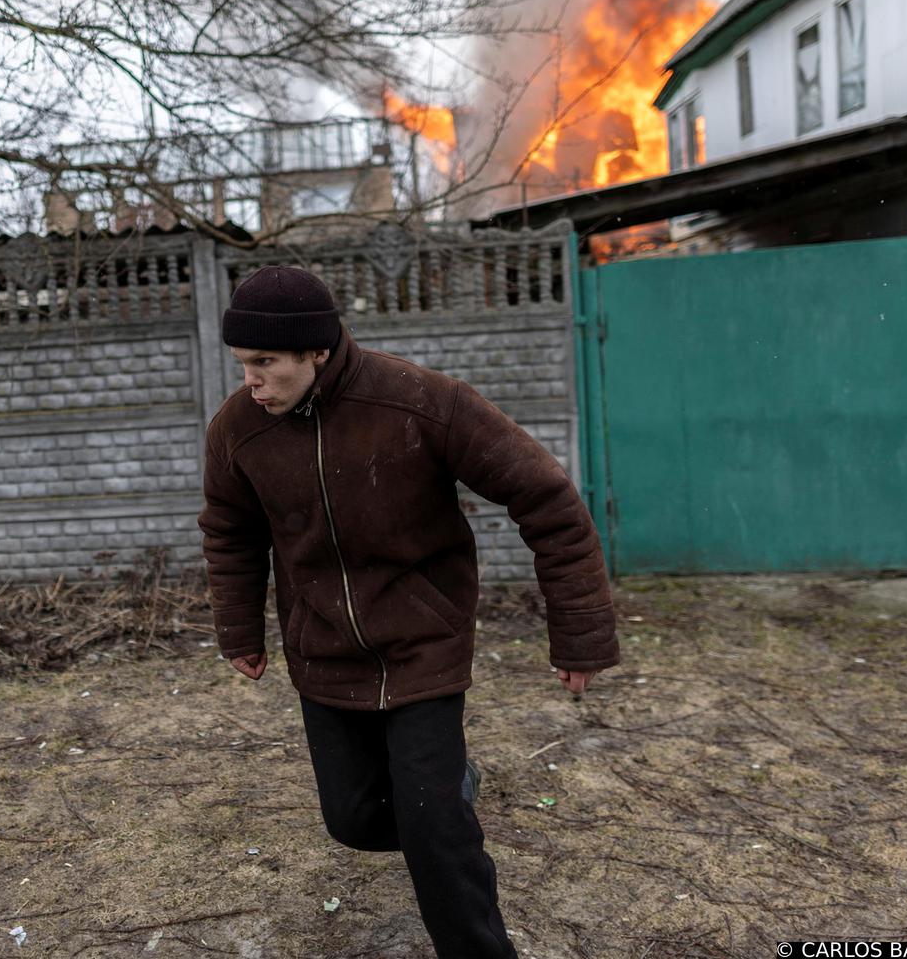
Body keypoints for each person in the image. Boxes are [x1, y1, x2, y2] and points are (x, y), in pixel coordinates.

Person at [198, 265, 620, 959]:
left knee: (432, 832)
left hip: (424, 643)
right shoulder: (239, 431)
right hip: (325, 652)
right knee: (356, 820)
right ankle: (454, 791)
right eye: (244, 364)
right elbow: (229, 532)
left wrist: (579, 637)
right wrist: (239, 631)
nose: (251, 381)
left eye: (265, 363)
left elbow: (549, 503)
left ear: (317, 352)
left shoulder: (422, 403)